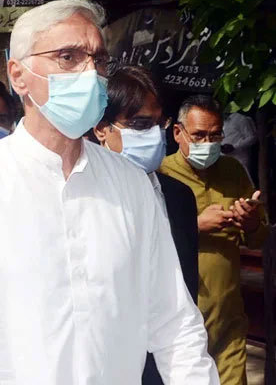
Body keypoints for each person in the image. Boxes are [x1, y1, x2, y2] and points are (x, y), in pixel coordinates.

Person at [0, 0, 218, 384]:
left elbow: (175, 325)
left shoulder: (131, 186)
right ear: (19, 75)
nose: (90, 72)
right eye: (67, 57)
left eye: (98, 60)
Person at [91, 65, 199, 385]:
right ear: (101, 128)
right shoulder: (85, 198)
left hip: (167, 364)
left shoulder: (179, 197)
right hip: (106, 364)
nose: (153, 135)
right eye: (139, 124)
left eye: (157, 124)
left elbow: (186, 291)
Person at [160, 95, 268, 385]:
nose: (207, 144)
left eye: (214, 135)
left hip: (228, 317)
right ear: (178, 133)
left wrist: (251, 221)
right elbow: (146, 241)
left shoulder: (232, 171)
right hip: (180, 322)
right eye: (198, 135)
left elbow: (258, 238)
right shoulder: (161, 174)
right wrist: (195, 226)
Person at [221, 111, 257, 183]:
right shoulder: (219, 120)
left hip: (239, 159)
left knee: (244, 183)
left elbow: (252, 138)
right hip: (223, 159)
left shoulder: (240, 118)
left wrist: (235, 147)